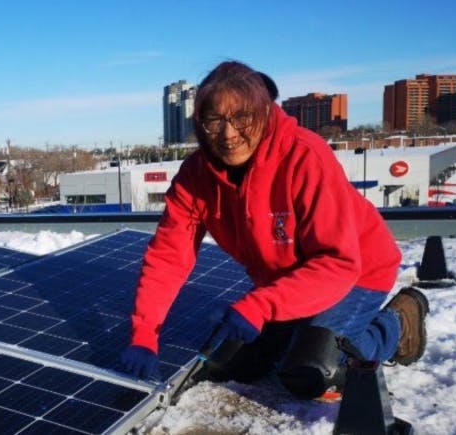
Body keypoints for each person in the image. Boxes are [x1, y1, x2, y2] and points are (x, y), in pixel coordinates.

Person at [118, 61, 429, 400]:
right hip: (285, 281)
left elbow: (338, 262)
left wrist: (261, 306)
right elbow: (168, 257)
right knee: (239, 363)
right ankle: (302, 329)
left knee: (315, 373)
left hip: (355, 272)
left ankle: (398, 325)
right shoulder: (195, 177)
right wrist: (144, 333)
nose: (228, 134)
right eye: (215, 120)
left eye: (242, 117)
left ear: (264, 113)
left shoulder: (304, 156)